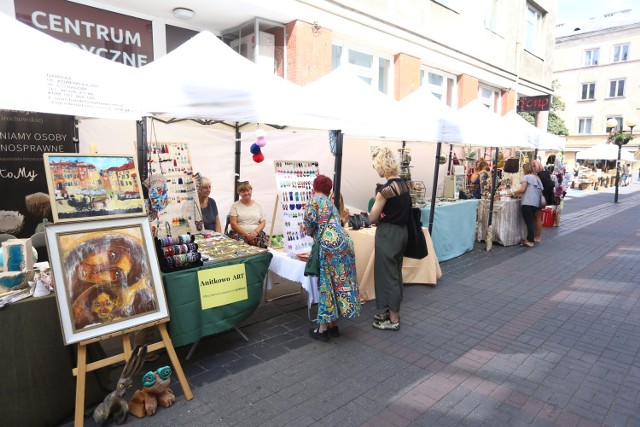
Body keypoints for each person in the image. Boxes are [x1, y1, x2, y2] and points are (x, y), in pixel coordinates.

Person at [304, 175, 360, 342]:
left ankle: (322, 329)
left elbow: (308, 228)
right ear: (329, 190)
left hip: (329, 246)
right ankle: (334, 326)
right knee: (339, 283)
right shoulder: (331, 205)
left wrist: (307, 230)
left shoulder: (313, 202)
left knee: (326, 284)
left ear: (314, 187)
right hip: (344, 243)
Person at [369, 147, 411, 331]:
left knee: (388, 275)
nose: (376, 170)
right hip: (402, 232)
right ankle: (389, 310)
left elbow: (371, 217)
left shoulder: (385, 190)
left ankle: (393, 319)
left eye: (376, 166)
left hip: (388, 234)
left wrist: (380, 214)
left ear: (382, 166)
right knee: (395, 272)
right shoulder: (403, 184)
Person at [510, 163, 543, 247]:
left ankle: (530, 241)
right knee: (532, 221)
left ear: (526, 169)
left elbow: (522, 189)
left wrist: (513, 192)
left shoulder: (527, 177)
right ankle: (533, 238)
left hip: (528, 202)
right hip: (536, 203)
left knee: (529, 222)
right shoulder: (537, 178)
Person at [227, 181, 268, 248]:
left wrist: (255, 233)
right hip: (239, 234)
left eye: (248, 190)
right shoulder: (235, 205)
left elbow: (263, 222)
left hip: (256, 233)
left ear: (251, 191)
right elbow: (233, 224)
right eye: (243, 191)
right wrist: (247, 235)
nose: (246, 193)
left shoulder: (257, 205)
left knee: (263, 243)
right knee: (241, 245)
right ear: (239, 193)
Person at [532, 160, 555, 242]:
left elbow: (549, 185)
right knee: (537, 217)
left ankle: (537, 236)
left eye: (533, 166)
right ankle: (537, 236)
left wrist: (542, 192)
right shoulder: (545, 173)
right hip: (542, 198)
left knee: (537, 217)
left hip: (539, 198)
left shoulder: (541, 175)